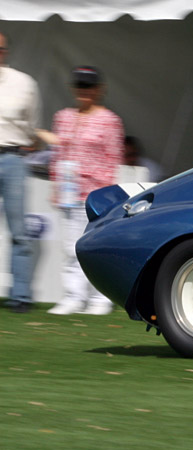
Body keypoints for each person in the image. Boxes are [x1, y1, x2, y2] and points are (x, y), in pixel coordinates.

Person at [45, 67, 124, 315]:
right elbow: (57, 154)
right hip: (69, 190)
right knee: (70, 246)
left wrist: (108, 195)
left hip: (96, 191)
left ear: (99, 90)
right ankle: (73, 296)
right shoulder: (63, 116)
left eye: (88, 86)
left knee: (95, 245)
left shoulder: (110, 120)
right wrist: (56, 186)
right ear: (73, 88)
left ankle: (100, 298)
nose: (84, 92)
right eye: (80, 86)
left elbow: (114, 158)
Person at [0, 32, 40, 313]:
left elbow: (33, 126)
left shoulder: (24, 83)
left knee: (19, 231)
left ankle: (21, 296)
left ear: (6, 51)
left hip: (12, 157)